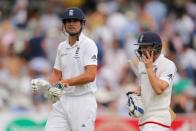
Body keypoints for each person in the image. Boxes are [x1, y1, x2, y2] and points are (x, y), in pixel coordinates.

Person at [31, 7, 98, 131]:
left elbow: (90, 75)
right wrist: (47, 86)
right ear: (64, 24)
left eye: (75, 20)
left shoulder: (88, 44)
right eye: (68, 21)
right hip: (63, 101)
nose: (71, 24)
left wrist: (63, 83)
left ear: (82, 23)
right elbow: (57, 73)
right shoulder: (62, 46)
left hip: (83, 101)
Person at [128, 31, 177, 131]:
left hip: (158, 120)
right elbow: (147, 84)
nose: (142, 50)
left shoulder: (168, 65)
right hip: (145, 119)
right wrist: (140, 91)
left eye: (146, 47)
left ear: (157, 47)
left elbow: (159, 89)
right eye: (141, 47)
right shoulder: (142, 64)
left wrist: (149, 69)